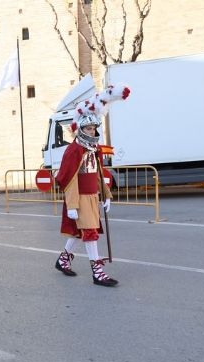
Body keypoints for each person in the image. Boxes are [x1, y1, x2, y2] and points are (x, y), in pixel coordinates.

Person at [54, 84, 130, 286]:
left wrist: (106, 196)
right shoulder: (74, 150)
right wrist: (71, 205)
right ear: (81, 129)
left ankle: (63, 260)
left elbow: (97, 174)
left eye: (93, 127)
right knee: (89, 232)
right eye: (88, 127)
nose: (92, 130)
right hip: (79, 197)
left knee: (80, 231)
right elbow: (68, 179)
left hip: (92, 196)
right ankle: (97, 272)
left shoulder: (93, 149)